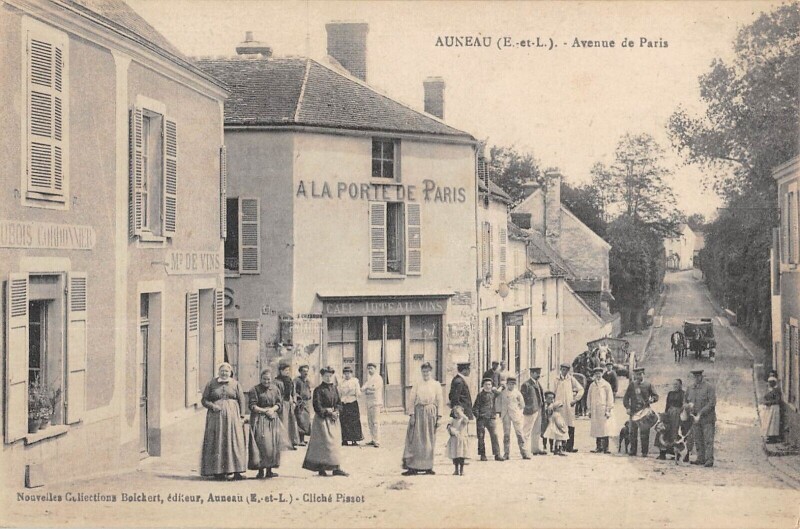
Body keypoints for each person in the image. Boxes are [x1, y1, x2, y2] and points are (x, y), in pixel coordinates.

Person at [200, 362, 248, 480]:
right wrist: (212, 406)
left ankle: (236, 471)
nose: (224, 373)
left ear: (230, 372)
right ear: (218, 372)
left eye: (226, 371)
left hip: (233, 418)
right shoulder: (211, 384)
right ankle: (218, 472)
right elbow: (204, 400)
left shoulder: (235, 384)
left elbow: (242, 400)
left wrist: (242, 416)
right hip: (216, 419)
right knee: (217, 442)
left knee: (234, 442)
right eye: (222, 371)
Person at [302, 366, 348, 477]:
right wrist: (328, 412)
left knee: (335, 444)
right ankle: (321, 468)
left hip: (334, 420)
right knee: (324, 445)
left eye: (330, 376)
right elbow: (317, 406)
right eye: (326, 376)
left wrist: (337, 411)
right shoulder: (318, 390)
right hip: (322, 421)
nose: (328, 378)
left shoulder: (334, 388)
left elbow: (338, 402)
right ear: (322, 376)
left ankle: (336, 468)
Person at [402, 362, 444, 475]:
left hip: (430, 412)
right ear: (421, 372)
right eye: (424, 371)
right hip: (418, 412)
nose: (426, 373)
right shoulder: (417, 384)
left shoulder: (436, 384)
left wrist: (439, 417)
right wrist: (412, 415)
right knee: (416, 439)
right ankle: (413, 467)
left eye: (427, 371)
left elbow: (440, 401)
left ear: (431, 372)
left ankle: (428, 466)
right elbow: (411, 400)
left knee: (429, 439)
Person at [248, 367, 285, 479]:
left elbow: (279, 403)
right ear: (260, 379)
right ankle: (260, 470)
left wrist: (273, 409)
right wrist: (264, 411)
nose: (266, 382)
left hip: (272, 419)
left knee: (273, 445)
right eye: (264, 379)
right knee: (261, 444)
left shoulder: (275, 389)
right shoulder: (254, 389)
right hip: (260, 419)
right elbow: (252, 405)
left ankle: (269, 470)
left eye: (268, 379)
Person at [623, 367, 659, 457]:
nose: (639, 376)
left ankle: (644, 452)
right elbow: (626, 398)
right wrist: (627, 407)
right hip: (634, 412)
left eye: (640, 374)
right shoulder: (632, 385)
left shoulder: (648, 384)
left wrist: (652, 399)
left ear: (644, 374)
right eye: (637, 374)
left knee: (644, 432)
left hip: (644, 412)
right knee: (632, 432)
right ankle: (633, 450)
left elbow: (656, 396)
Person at [685, 369, 716, 467]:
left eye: (698, 376)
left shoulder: (709, 387)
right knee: (697, 439)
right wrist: (688, 407)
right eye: (694, 377)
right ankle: (700, 458)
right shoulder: (690, 388)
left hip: (707, 418)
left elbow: (712, 403)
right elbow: (685, 401)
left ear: (701, 376)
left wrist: (701, 413)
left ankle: (709, 459)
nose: (696, 378)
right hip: (694, 418)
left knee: (708, 439)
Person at [553, 363, 585, 453]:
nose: (564, 371)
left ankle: (569, 446)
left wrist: (575, 400)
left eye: (566, 369)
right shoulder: (556, 379)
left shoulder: (571, 379)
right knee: (559, 425)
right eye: (563, 369)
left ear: (568, 370)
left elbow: (581, 389)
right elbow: (553, 392)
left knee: (570, 425)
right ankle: (559, 447)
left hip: (569, 406)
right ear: (560, 370)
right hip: (559, 406)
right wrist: (553, 404)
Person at [499, 376, 530, 460]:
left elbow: (522, 404)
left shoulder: (517, 393)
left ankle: (524, 452)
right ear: (507, 384)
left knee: (519, 433)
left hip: (515, 414)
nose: (511, 386)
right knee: (506, 434)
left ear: (515, 385)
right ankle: (506, 453)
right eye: (509, 384)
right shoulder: (503, 393)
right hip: (506, 414)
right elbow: (499, 402)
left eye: (513, 384)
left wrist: (517, 411)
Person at [587, 366, 616, 454]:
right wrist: (589, 410)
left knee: (605, 428)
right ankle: (598, 447)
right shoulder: (592, 385)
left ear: (602, 374)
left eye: (599, 374)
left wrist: (608, 410)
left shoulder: (606, 384)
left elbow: (610, 398)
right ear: (594, 375)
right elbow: (589, 397)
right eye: (596, 374)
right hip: (595, 409)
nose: (598, 375)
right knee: (596, 428)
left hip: (603, 409)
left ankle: (606, 448)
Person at [474, 378, 502, 462]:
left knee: (494, 435)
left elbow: (500, 390)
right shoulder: (480, 395)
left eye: (489, 384)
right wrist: (478, 416)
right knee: (481, 437)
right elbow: (475, 407)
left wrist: (498, 387)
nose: (488, 386)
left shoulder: (493, 394)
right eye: (486, 384)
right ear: (483, 386)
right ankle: (482, 455)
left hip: (491, 418)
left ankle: (497, 454)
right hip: (481, 419)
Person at [521, 367, 547, 456]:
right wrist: (527, 407)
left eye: (539, 373)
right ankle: (524, 450)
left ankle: (535, 448)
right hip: (530, 410)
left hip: (539, 409)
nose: (538, 375)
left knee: (537, 430)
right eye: (536, 373)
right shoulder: (526, 384)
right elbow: (522, 398)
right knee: (526, 431)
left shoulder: (538, 383)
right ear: (531, 373)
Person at [658, 379, 685, 460]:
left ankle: (676, 453)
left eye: (677, 384)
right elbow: (667, 405)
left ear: (680, 385)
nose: (675, 386)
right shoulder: (670, 393)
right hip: (669, 414)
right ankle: (662, 453)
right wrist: (665, 415)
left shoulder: (683, 394)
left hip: (678, 415)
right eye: (674, 384)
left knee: (675, 433)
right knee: (664, 430)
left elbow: (684, 406)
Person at [275, 362, 301, 449]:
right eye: (285, 370)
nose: (287, 372)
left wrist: (294, 402)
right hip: (282, 403)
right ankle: (283, 444)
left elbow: (293, 392)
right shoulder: (277, 381)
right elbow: (276, 394)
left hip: (289, 402)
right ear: (280, 371)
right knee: (283, 422)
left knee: (292, 423)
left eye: (288, 370)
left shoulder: (290, 380)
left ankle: (292, 442)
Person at [338, 366, 363, 446]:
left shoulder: (355, 381)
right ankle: (345, 439)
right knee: (344, 421)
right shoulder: (341, 382)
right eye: (345, 373)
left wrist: (355, 395)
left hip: (352, 403)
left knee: (353, 421)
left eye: (348, 373)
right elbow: (339, 393)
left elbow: (358, 393)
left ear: (351, 373)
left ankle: (354, 440)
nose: (347, 375)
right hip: (344, 403)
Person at [362, 363, 384, 448]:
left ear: (375, 369)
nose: (369, 370)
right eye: (368, 369)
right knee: (370, 422)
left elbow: (373, 388)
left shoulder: (378, 378)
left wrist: (367, 389)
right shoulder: (370, 379)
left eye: (371, 368)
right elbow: (364, 387)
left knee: (375, 422)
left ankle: (377, 441)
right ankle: (373, 439)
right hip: (369, 402)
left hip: (376, 403)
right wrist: (366, 388)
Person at [447, 405, 470, 476]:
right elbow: (449, 427)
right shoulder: (452, 420)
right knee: (455, 455)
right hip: (454, 440)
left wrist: (462, 414)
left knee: (461, 455)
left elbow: (466, 419)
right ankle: (456, 469)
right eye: (455, 413)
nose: (457, 414)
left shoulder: (463, 420)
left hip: (462, 439)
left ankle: (462, 470)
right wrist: (452, 430)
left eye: (459, 413)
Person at [543, 390, 568, 455]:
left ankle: (554, 448)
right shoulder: (544, 405)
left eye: (552, 398)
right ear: (545, 398)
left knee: (553, 436)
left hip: (552, 423)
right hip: (545, 421)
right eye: (549, 398)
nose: (551, 400)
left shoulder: (553, 406)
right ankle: (545, 446)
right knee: (545, 435)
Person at [293, 365, 313, 446]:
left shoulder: (308, 381)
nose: (306, 373)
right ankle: (299, 440)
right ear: (300, 372)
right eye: (304, 371)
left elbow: (309, 390)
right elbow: (294, 391)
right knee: (300, 421)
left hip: (307, 403)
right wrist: (297, 399)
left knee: (306, 422)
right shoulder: (296, 380)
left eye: (307, 371)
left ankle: (303, 439)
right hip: (300, 403)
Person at [763, 376, 782, 444]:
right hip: (770, 408)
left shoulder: (776, 390)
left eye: (771, 382)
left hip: (775, 408)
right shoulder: (770, 390)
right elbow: (765, 397)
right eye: (769, 382)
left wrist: (769, 402)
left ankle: (773, 437)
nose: (769, 384)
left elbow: (777, 400)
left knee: (774, 423)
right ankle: (770, 436)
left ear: (774, 383)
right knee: (769, 422)